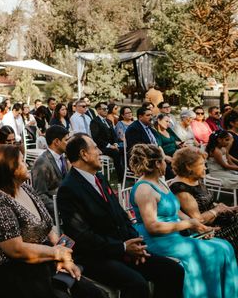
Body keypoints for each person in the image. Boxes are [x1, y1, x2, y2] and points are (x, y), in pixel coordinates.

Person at [57, 135, 185, 298]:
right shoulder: (69, 189)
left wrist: (137, 245)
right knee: (136, 283)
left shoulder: (99, 178)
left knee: (173, 270)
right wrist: (123, 248)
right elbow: (82, 236)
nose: (99, 152)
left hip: (121, 248)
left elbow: (120, 214)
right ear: (84, 154)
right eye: (95, 148)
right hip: (94, 256)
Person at [0, 144, 104, 298]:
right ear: (9, 167)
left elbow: (49, 228)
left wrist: (66, 258)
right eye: (21, 162)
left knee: (94, 293)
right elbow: (15, 249)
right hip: (15, 274)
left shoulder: (26, 188)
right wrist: (56, 254)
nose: (27, 165)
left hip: (43, 262)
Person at [129, 144, 238, 298]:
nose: (167, 163)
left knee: (224, 246)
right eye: (164, 160)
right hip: (157, 240)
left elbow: (177, 211)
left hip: (174, 236)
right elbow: (153, 226)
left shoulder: (160, 182)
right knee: (213, 252)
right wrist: (189, 224)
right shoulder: (144, 189)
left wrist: (199, 227)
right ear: (158, 163)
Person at [170, 146, 238, 256]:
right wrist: (217, 210)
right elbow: (198, 220)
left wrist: (229, 208)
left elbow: (208, 203)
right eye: (202, 164)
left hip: (218, 222)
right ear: (188, 167)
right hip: (207, 232)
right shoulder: (181, 188)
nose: (205, 168)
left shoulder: (194, 178)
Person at [31, 125, 70, 216]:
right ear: (56, 142)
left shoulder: (62, 158)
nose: (68, 143)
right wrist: (60, 210)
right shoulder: (42, 163)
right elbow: (40, 194)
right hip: (56, 213)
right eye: (66, 140)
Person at [90, 101, 123, 179]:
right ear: (98, 110)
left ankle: (127, 171)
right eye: (104, 109)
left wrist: (115, 143)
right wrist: (109, 146)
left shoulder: (108, 121)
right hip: (101, 147)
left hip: (112, 145)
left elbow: (114, 134)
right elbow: (96, 138)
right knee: (116, 153)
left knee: (124, 149)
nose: (106, 110)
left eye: (107, 109)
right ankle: (121, 176)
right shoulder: (94, 121)